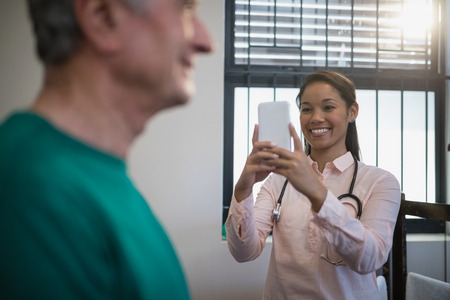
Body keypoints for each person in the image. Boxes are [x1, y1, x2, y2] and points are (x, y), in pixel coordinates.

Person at [0, 0, 212, 298]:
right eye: (185, 9)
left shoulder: (91, 178)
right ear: (102, 18)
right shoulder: (29, 190)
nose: (206, 42)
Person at [225, 70, 401, 299]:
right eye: (307, 109)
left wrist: (316, 192)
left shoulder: (381, 182)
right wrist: (243, 188)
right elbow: (243, 252)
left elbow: (371, 258)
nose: (316, 118)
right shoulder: (278, 181)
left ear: (352, 112)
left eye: (328, 107)